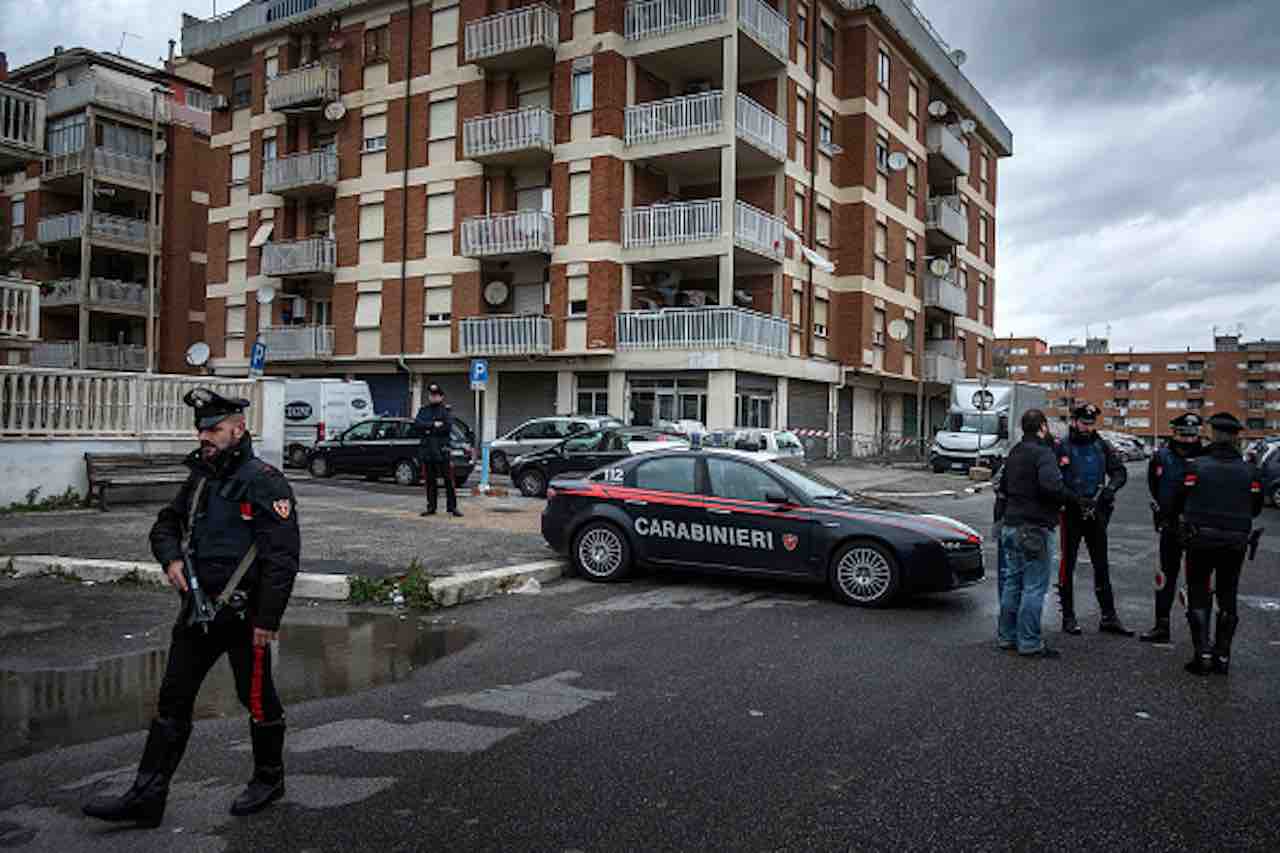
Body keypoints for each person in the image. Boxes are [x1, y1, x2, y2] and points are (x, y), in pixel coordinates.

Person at [83, 389, 300, 828]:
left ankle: (269, 778)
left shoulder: (266, 480)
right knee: (172, 701)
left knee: (256, 698)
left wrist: (267, 622)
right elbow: (165, 524)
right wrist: (171, 559)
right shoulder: (200, 476)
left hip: (244, 616)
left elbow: (282, 557)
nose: (204, 436)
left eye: (214, 429)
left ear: (238, 430)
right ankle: (147, 796)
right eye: (201, 429)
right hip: (197, 612)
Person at [1171, 412, 1263, 675]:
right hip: (1235, 542)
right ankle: (1223, 657)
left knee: (1198, 592)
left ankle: (1202, 655)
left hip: (1200, 539)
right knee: (1228, 594)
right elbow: (1255, 508)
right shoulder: (1250, 470)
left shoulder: (1196, 466)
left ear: (1213, 435)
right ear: (1235, 438)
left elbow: (1178, 501)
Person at [994, 408, 1074, 658]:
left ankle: (1007, 637)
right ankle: (1029, 642)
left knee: (1012, 584)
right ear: (1042, 427)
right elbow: (1051, 486)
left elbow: (1003, 487)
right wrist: (1071, 499)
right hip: (1035, 528)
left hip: (1011, 524)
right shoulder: (1044, 454)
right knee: (1034, 587)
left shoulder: (1015, 452)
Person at [1055, 403, 1132, 636]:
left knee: (1102, 564)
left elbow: (1120, 472)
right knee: (1068, 563)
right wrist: (1073, 499)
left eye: (1091, 424)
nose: (1087, 428)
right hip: (1071, 512)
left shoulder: (1101, 445)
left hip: (1097, 510)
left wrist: (1111, 489)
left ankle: (1109, 616)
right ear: (1074, 421)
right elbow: (1053, 481)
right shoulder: (1061, 447)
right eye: (1083, 423)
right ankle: (1068, 616)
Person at [1139, 412, 1205, 642]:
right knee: (1165, 577)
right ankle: (1161, 625)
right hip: (1170, 524)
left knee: (1197, 580)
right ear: (1175, 433)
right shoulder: (1161, 457)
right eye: (1183, 435)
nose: (1188, 440)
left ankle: (1200, 633)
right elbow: (1154, 486)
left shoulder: (1206, 457)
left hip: (1197, 527)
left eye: (1192, 435)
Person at [415, 382, 462, 517]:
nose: (433, 398)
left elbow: (447, 427)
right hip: (428, 451)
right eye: (431, 395)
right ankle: (431, 507)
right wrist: (433, 425)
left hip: (442, 450)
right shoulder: (423, 410)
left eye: (436, 395)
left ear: (441, 397)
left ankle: (452, 508)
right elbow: (417, 425)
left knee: (448, 481)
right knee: (430, 481)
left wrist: (428, 428)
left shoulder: (446, 411)